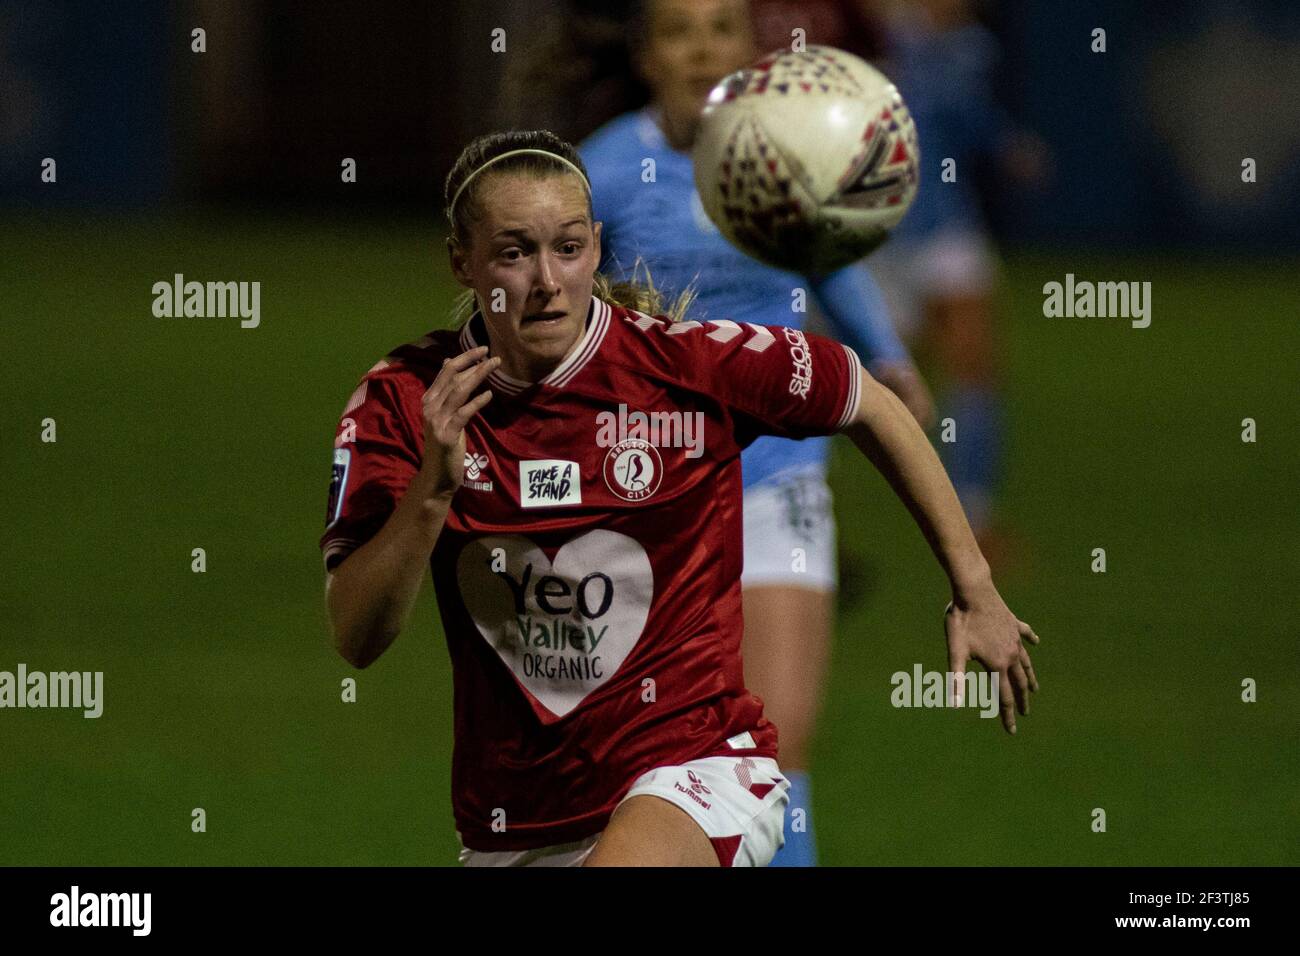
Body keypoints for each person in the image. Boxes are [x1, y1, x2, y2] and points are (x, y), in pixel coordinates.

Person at [320, 129, 1038, 867]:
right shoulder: (403, 401)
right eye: (513, 252)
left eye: (568, 248)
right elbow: (356, 635)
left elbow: (867, 399)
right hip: (515, 820)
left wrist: (974, 586)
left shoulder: (683, 366)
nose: (546, 280)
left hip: (699, 770)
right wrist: (432, 492)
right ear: (461, 262)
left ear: (597, 248)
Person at [577, 0, 933, 866]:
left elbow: (830, 261)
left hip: (779, 476)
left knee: (780, 751)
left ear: (750, 48)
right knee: (644, 764)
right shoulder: (603, 173)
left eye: (722, 29)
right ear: (646, 55)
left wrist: (888, 360)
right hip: (649, 497)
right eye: (678, 31)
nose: (703, 50)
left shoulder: (783, 151)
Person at [869, 0, 1050, 557]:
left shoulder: (973, 47)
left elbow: (963, 115)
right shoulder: (875, 32)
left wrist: (1006, 144)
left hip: (947, 224)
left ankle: (973, 516)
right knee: (872, 382)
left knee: (975, 363)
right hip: (874, 233)